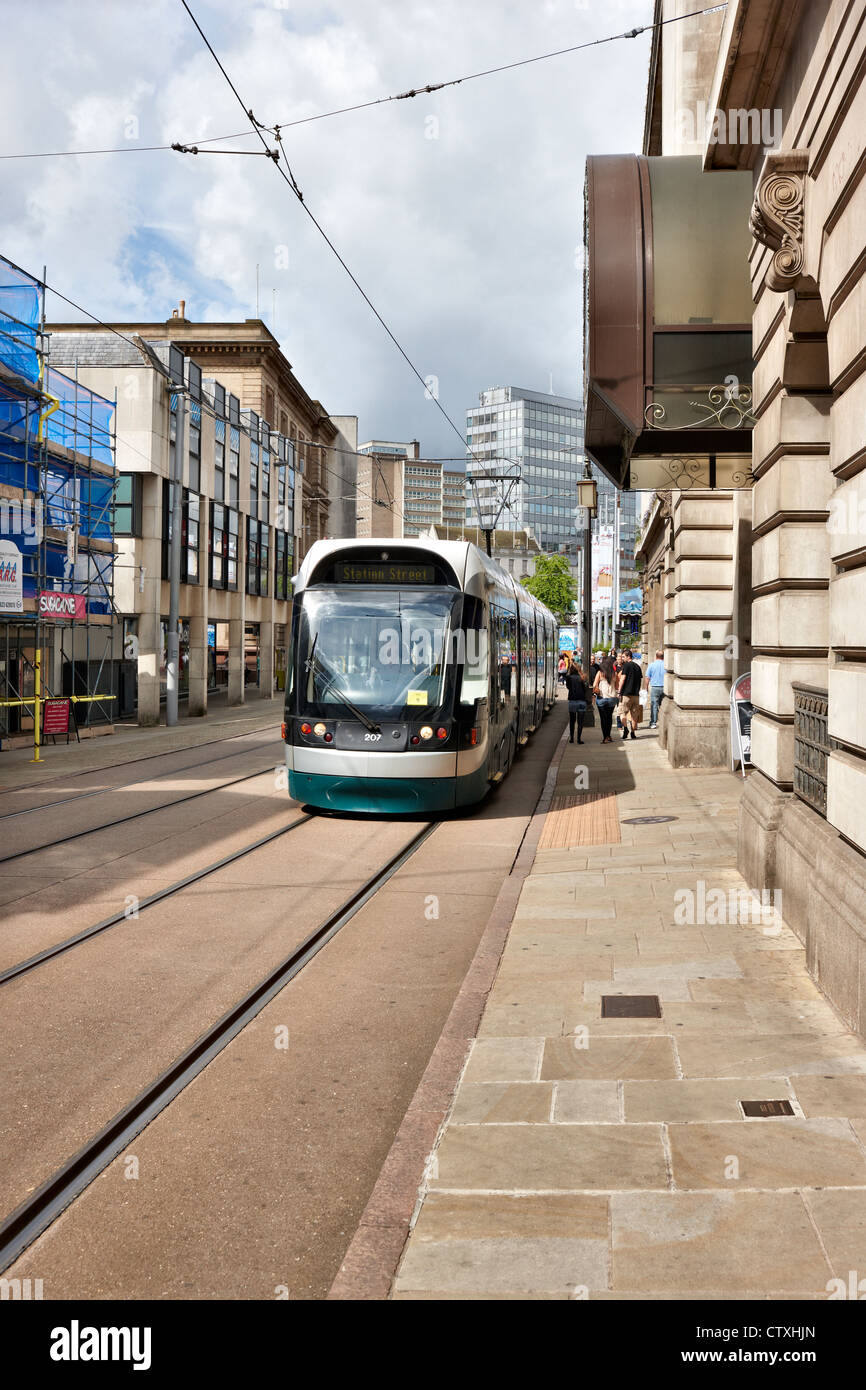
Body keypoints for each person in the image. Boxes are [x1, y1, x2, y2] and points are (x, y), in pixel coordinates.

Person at [617, 647, 643, 740]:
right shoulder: (638, 667)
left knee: (622, 712)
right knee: (634, 715)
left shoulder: (626, 666)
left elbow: (623, 679)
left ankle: (625, 729)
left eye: (623, 656)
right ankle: (633, 732)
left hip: (626, 694)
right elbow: (640, 681)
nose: (622, 658)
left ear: (628, 656)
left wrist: (619, 691)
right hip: (636, 695)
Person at [593, 655, 618, 743]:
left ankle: (605, 737)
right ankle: (609, 735)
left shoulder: (600, 672)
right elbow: (617, 686)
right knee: (609, 717)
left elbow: (594, 684)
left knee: (603, 719)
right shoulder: (614, 673)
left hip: (602, 697)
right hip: (612, 698)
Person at [565, 659, 589, 744]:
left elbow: (568, 687)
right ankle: (579, 739)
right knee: (580, 721)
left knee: (572, 721)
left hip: (572, 701)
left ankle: (571, 738)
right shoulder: (583, 677)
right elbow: (585, 689)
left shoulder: (568, 678)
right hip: (582, 701)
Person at [645, 649, 666, 729]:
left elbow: (647, 678)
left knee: (654, 705)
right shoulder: (666, 665)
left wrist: (646, 687)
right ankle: (663, 722)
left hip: (655, 688)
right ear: (663, 657)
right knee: (663, 705)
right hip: (664, 688)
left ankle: (653, 722)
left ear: (656, 656)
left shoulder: (652, 665)